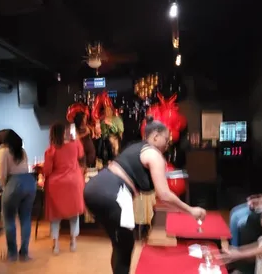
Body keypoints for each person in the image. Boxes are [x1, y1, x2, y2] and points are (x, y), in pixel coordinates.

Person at [84, 115, 206, 274]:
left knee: (121, 244)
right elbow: (164, 195)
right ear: (155, 136)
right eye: (166, 139)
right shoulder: (154, 154)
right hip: (112, 192)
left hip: (95, 188)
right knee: (125, 246)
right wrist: (191, 210)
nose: (168, 143)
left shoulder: (136, 147)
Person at [43, 122, 85, 254]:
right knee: (74, 214)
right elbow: (81, 155)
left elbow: (47, 170)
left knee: (55, 216)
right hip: (74, 182)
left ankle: (55, 245)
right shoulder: (76, 144)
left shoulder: (50, 151)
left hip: (56, 185)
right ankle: (73, 242)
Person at [0, 129, 36, 262]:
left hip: (14, 184)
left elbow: (2, 174)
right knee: (25, 218)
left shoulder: (3, 150)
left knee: (9, 219)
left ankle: (12, 254)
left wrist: (5, 188)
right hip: (29, 183)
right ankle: (24, 253)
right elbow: (26, 167)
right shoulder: (22, 151)